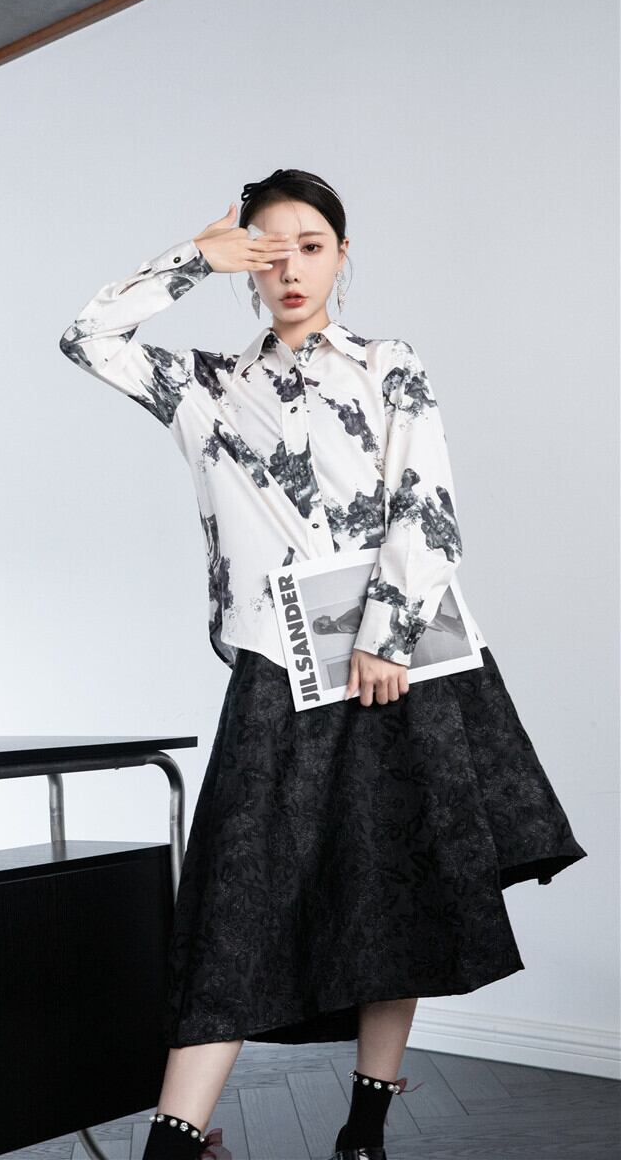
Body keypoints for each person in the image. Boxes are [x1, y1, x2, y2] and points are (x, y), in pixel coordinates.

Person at [58, 169, 587, 1160]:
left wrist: (386, 634)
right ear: (246, 266)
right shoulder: (207, 387)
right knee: (233, 903)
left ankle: (364, 1131)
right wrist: (192, 259)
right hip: (277, 665)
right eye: (267, 250)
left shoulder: (389, 365)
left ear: (343, 255)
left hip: (400, 664)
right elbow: (87, 337)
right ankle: (174, 1142)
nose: (290, 268)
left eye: (310, 245)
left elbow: (425, 504)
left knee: (396, 894)